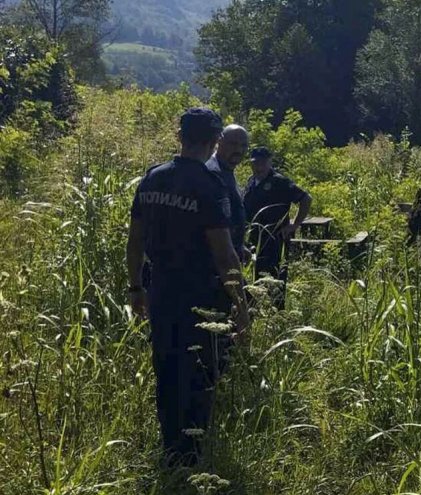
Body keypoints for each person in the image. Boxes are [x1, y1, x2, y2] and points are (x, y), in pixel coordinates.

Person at [125, 108, 250, 468]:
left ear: (179, 136)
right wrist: (241, 307)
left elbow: (134, 241)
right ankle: (191, 457)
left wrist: (136, 288)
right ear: (214, 142)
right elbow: (225, 256)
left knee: (166, 367)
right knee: (199, 374)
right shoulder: (209, 186)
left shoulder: (152, 179)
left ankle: (170, 448)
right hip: (202, 296)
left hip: (160, 290)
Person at [243, 146, 312, 284]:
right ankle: (259, 305)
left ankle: (276, 305)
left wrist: (295, 225)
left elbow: (306, 199)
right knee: (256, 280)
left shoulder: (280, 182)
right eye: (255, 163)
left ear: (269, 162)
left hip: (275, 239)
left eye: (262, 163)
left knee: (275, 280)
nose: (259, 167)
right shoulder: (251, 182)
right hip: (255, 239)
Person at [206, 124, 250, 262]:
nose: (238, 150)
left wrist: (239, 246)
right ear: (219, 142)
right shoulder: (212, 173)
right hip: (215, 261)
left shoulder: (227, 172)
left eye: (244, 146)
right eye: (233, 144)